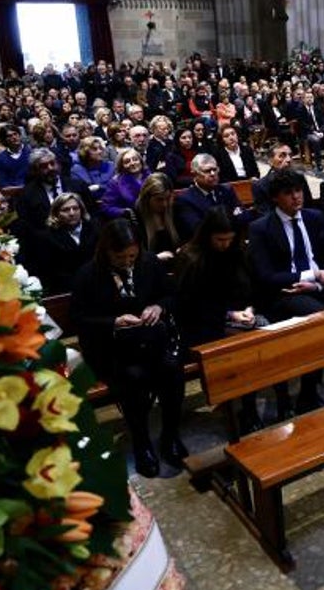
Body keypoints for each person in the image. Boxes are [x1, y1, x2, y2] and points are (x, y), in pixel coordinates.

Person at [70, 219, 185, 478]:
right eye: (120, 257)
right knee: (133, 378)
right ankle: (142, 442)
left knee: (172, 370)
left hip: (151, 341)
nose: (127, 262)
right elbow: (78, 318)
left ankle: (170, 435)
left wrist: (158, 307)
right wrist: (114, 321)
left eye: (132, 255)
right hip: (112, 348)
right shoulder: (89, 274)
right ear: (106, 251)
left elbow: (171, 296)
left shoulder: (148, 263)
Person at [247, 169, 324, 414]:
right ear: (276, 198)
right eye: (288, 193)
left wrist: (319, 282)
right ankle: (308, 393)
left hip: (317, 286)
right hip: (284, 293)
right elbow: (266, 276)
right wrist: (313, 275)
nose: (296, 197)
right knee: (317, 319)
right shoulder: (260, 228)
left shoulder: (315, 217)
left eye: (298, 191)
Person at [174, 208, 274, 433]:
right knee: (245, 345)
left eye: (229, 239)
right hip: (201, 325)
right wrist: (229, 315)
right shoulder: (192, 258)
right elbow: (190, 305)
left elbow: (251, 287)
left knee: (267, 332)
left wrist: (248, 308)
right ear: (208, 235)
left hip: (236, 318)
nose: (225, 245)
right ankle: (246, 408)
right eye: (220, 240)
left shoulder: (237, 251)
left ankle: (268, 399)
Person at [31, 192, 98, 295]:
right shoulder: (47, 237)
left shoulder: (95, 228)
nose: (72, 213)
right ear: (56, 213)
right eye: (66, 210)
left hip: (95, 283)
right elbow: (49, 272)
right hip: (64, 289)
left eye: (75, 208)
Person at [174, 153, 253, 239]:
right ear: (194, 174)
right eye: (207, 171)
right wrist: (232, 218)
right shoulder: (186, 199)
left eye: (215, 169)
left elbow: (244, 216)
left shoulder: (226, 191)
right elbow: (197, 230)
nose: (213, 174)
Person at [131, 173, 182, 266]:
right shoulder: (134, 217)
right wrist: (155, 258)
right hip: (149, 269)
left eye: (168, 198)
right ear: (146, 198)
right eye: (159, 199)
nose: (165, 204)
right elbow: (132, 255)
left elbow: (185, 239)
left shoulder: (175, 210)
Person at [100, 148, 149, 220]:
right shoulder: (115, 183)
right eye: (127, 162)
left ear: (140, 161)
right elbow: (106, 206)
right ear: (122, 166)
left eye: (135, 159)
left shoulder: (151, 177)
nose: (132, 163)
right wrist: (122, 212)